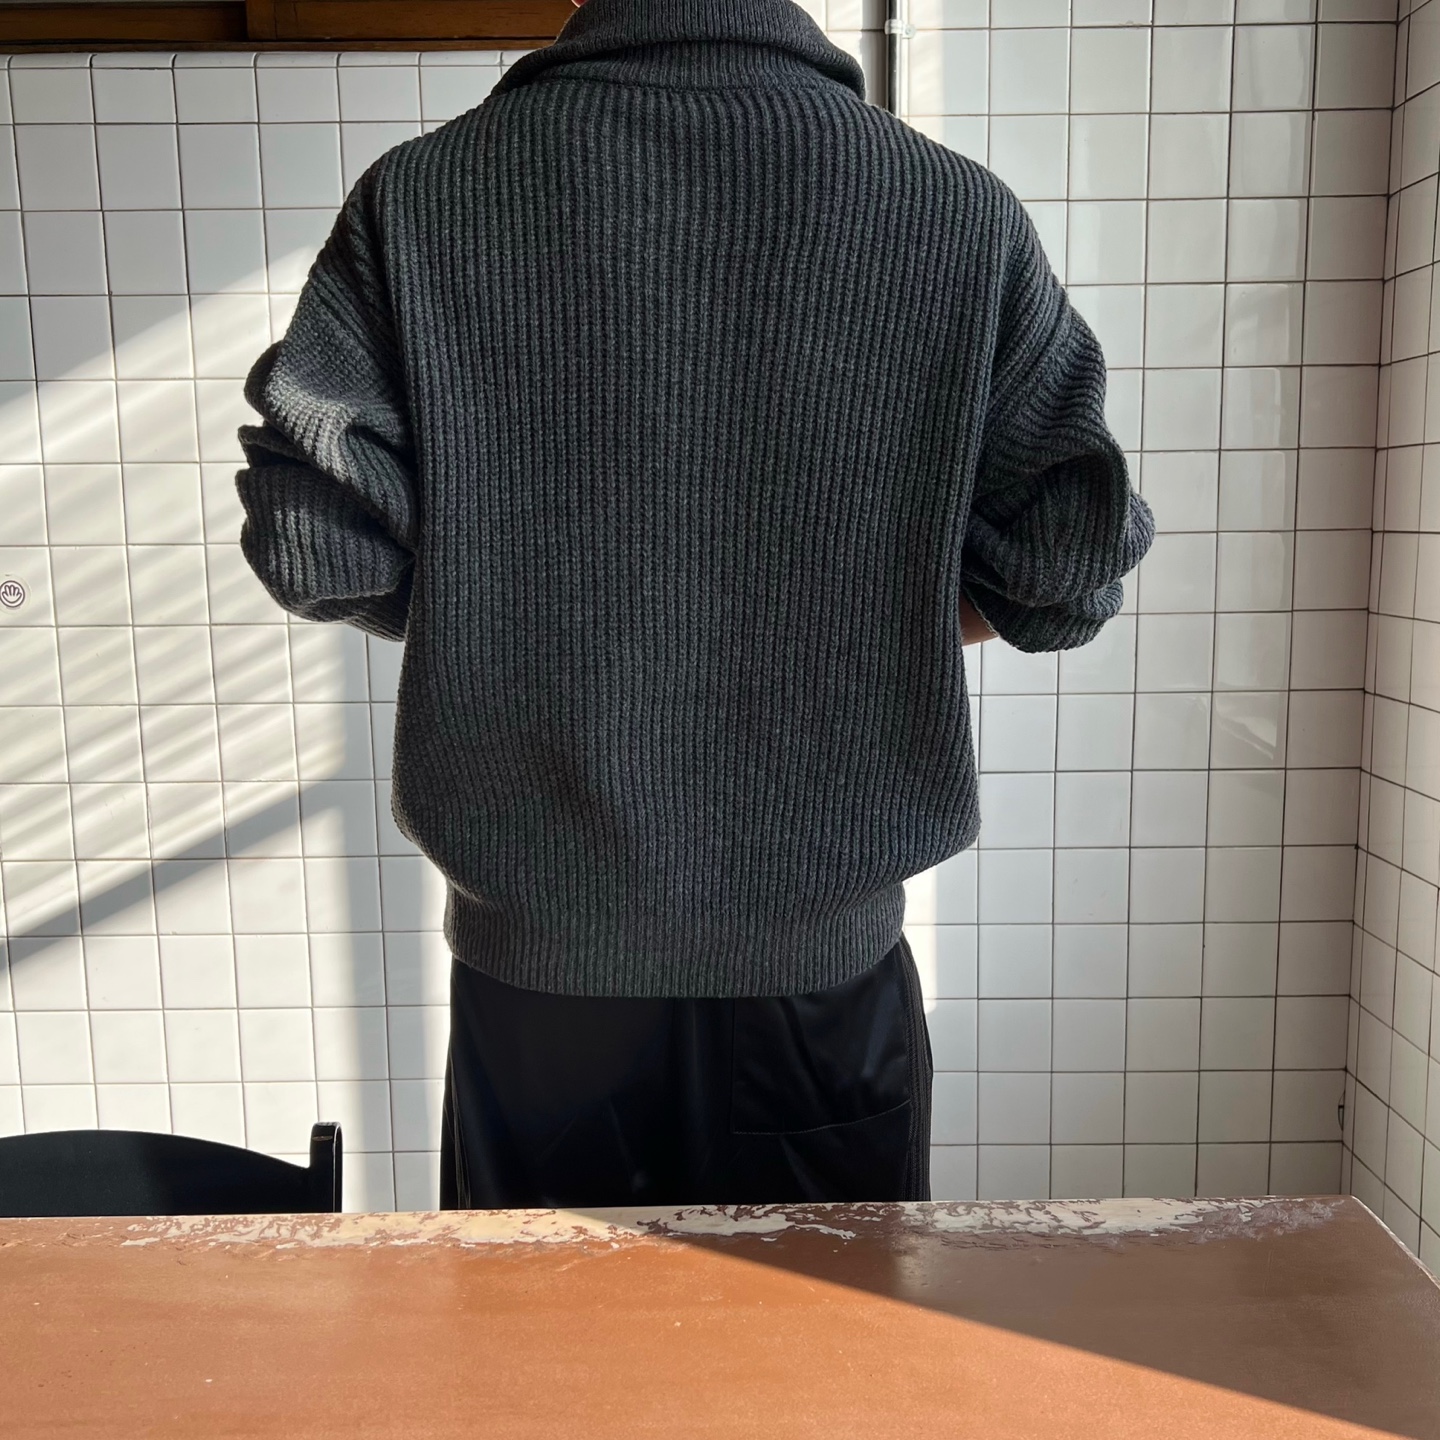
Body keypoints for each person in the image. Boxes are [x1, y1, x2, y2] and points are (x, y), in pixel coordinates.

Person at [234, 0, 1154, 1210]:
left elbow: (312, 544)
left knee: (547, 1333)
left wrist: (517, 600)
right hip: (822, 993)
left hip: (541, 996)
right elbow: (1065, 570)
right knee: (819, 1332)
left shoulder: (425, 198)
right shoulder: (953, 211)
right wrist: (860, 601)